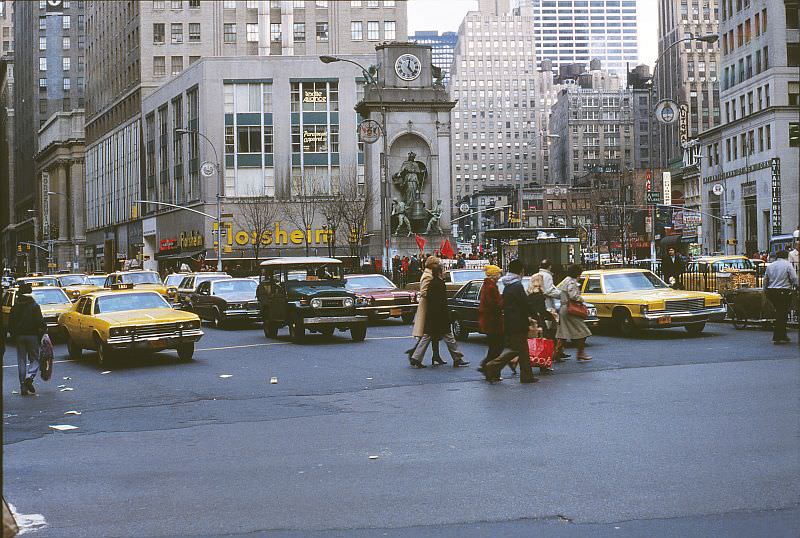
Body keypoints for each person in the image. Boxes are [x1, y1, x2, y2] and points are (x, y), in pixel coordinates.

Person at [482, 259, 538, 384]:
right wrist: (534, 314)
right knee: (519, 350)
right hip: (518, 322)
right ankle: (492, 365)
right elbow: (524, 303)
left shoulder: (508, 285)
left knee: (521, 350)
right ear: (521, 271)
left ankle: (527, 376)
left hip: (510, 321)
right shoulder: (517, 286)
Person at [410, 265, 469, 368]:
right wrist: (447, 315)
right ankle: (457, 358)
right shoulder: (440, 283)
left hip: (432, 314)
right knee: (449, 337)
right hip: (440, 315)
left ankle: (416, 357)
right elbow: (442, 301)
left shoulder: (431, 283)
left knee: (427, 336)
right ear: (439, 273)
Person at [9, 283, 46, 395]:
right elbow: (40, 322)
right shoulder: (34, 306)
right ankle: (29, 377)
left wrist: (13, 334)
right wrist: (43, 331)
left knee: (21, 360)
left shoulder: (15, 307)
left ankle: (22, 386)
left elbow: (11, 323)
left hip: (19, 336)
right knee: (34, 358)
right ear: (30, 293)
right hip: (32, 335)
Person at [533, 259, 569, 361]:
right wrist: (561, 294)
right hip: (548, 305)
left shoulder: (536, 275)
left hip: (541, 305)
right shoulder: (547, 276)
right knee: (552, 330)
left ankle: (556, 352)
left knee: (550, 330)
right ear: (549, 267)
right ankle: (554, 353)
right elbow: (549, 290)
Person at [556, 264, 593, 361]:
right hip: (571, 309)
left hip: (564, 308)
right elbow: (573, 295)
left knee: (563, 333)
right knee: (583, 330)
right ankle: (580, 353)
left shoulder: (565, 280)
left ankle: (556, 353)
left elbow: (558, 292)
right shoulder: (572, 282)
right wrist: (581, 299)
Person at [762, 249, 798, 344]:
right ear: (786, 256)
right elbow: (794, 278)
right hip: (784, 291)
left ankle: (782, 334)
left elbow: (765, 279)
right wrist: (795, 285)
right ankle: (778, 336)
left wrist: (765, 290)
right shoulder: (788, 265)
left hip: (772, 291)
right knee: (782, 313)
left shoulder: (771, 266)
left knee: (780, 312)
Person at [477, 265, 504, 370]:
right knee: (497, 346)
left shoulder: (488, 285)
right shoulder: (491, 287)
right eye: (498, 274)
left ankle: (487, 366)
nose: (499, 276)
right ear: (494, 275)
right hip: (492, 321)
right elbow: (494, 304)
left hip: (490, 320)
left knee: (494, 346)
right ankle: (488, 366)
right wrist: (503, 300)